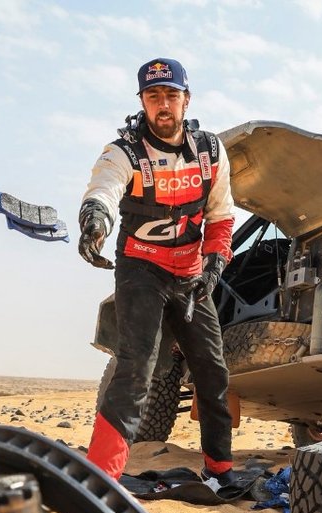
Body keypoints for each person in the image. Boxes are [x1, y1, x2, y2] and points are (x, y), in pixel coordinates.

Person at [78, 57, 236, 485]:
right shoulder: (124, 151)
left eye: (171, 95)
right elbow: (104, 188)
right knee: (136, 367)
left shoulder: (211, 151)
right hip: (140, 269)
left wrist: (214, 265)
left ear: (187, 99)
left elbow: (221, 216)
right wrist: (95, 220)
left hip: (191, 275)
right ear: (142, 101)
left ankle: (220, 471)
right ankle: (102, 477)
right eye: (153, 96)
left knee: (213, 370)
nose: (163, 105)